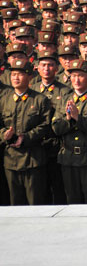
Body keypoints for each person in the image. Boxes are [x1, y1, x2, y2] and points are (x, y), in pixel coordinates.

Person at [51, 59, 87, 204]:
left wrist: (78, 118)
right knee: (72, 201)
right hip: (68, 158)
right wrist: (69, 120)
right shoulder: (63, 100)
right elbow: (56, 128)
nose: (76, 79)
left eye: (80, 75)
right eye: (73, 75)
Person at [1, 58, 51, 205]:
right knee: (15, 204)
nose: (16, 77)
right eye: (13, 74)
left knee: (35, 203)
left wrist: (26, 137)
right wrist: (4, 134)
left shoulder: (40, 100)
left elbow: (46, 125)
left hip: (33, 159)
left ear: (30, 77)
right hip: (10, 159)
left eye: (20, 74)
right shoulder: (4, 100)